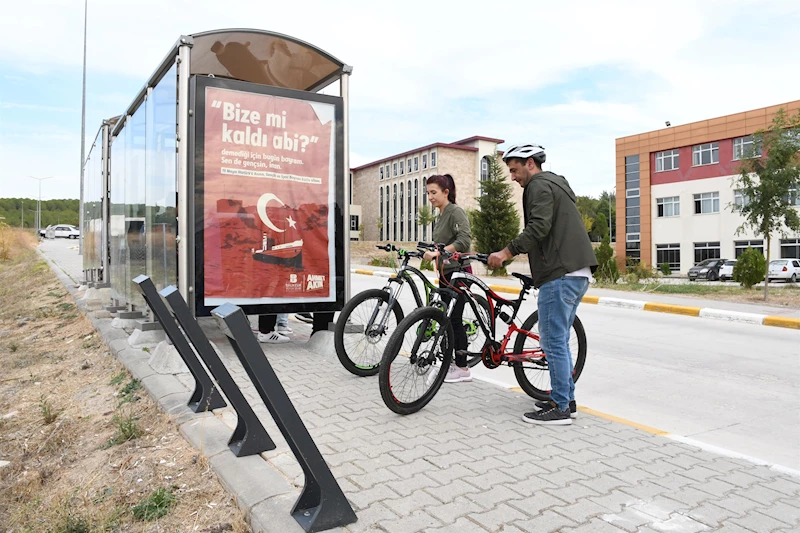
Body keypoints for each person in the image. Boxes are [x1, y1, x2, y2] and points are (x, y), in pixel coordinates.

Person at [488, 144, 597, 426]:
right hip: (578, 272)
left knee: (552, 341)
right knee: (558, 339)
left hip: (560, 273)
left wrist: (505, 252)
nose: (512, 177)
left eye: (514, 170)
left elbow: (538, 227)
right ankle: (566, 399)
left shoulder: (537, 186)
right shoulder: (556, 184)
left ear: (530, 164)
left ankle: (560, 408)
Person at [421, 174, 473, 384]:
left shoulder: (455, 211)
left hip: (459, 272)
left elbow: (464, 239)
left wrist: (439, 253)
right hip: (446, 273)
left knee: (454, 318)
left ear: (446, 192)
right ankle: (449, 361)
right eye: (428, 193)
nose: (430, 197)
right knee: (446, 319)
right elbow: (441, 245)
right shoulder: (441, 215)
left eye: (434, 193)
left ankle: (462, 367)